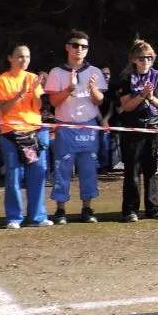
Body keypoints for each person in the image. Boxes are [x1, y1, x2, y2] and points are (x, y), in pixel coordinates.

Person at [44, 30, 107, 224]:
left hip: (88, 126)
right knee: (62, 168)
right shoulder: (56, 72)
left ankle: (87, 208)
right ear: (67, 47)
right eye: (75, 45)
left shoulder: (95, 72)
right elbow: (54, 101)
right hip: (66, 126)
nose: (79, 49)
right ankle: (61, 210)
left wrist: (93, 89)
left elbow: (99, 101)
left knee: (88, 169)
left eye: (84, 46)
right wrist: (69, 90)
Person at [108, 40, 158, 222]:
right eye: (142, 58)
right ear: (134, 59)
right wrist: (141, 95)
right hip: (133, 127)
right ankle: (130, 210)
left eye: (150, 58)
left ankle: (153, 208)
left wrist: (151, 97)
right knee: (132, 170)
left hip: (153, 126)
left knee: (152, 170)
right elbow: (126, 106)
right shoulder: (127, 79)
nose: (146, 61)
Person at [0, 45, 52, 229]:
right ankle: (14, 217)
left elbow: (38, 106)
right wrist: (21, 93)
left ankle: (37, 216)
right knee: (14, 175)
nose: (24, 60)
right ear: (10, 58)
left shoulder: (33, 78)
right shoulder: (3, 80)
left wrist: (34, 91)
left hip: (34, 131)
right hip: (12, 133)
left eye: (27, 57)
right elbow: (4, 108)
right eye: (19, 57)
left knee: (37, 174)